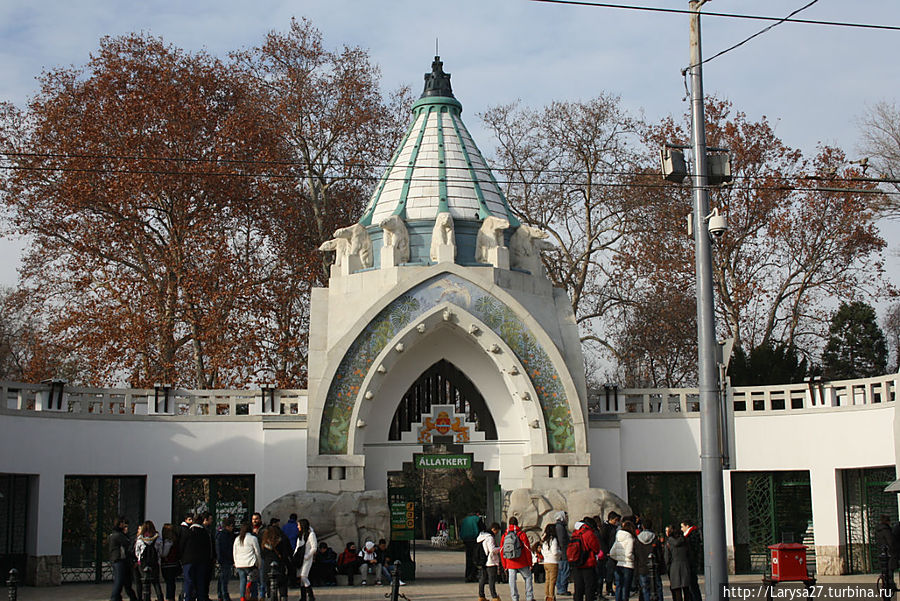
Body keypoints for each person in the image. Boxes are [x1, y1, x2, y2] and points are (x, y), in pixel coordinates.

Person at [180, 513, 213, 601]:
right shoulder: (205, 533)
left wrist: (181, 558)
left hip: (188, 561)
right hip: (202, 562)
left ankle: (188, 598)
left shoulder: (188, 532)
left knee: (189, 582)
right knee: (200, 583)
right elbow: (208, 548)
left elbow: (181, 546)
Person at [500, 516, 534, 601]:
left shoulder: (505, 535)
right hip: (522, 561)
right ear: (517, 523)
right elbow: (527, 549)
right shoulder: (521, 534)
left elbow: (501, 550)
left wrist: (504, 565)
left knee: (512, 581)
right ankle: (529, 597)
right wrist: (530, 562)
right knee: (528, 577)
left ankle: (514, 598)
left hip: (510, 562)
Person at [571, 518, 602, 601]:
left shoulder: (575, 533)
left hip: (576, 563)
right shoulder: (588, 533)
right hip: (588, 563)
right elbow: (596, 548)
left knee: (578, 588)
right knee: (589, 587)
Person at [109, 516, 139, 601]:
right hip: (119, 560)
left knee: (126, 582)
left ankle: (130, 598)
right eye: (122, 523)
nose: (124, 525)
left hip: (123, 560)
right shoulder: (117, 535)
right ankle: (114, 598)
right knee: (119, 581)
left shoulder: (117, 535)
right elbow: (127, 543)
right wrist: (126, 534)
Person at [634, 518, 664, 601]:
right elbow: (659, 555)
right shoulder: (655, 539)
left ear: (642, 526)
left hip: (642, 567)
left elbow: (636, 555)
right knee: (658, 588)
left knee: (645, 589)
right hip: (654, 567)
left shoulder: (637, 540)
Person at [135, 520, 165, 601]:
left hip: (143, 564)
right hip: (154, 563)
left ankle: (146, 598)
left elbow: (137, 552)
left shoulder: (140, 539)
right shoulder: (158, 538)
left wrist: (139, 560)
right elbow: (161, 551)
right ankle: (160, 598)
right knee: (156, 583)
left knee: (145, 583)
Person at [233, 523, 261, 601]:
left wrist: (235, 562)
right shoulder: (253, 538)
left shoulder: (237, 539)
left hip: (240, 564)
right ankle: (254, 596)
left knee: (242, 581)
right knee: (254, 580)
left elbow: (234, 552)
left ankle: (242, 597)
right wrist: (259, 563)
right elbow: (257, 552)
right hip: (250, 563)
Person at [261, 525, 289, 601]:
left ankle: (270, 596)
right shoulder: (282, 540)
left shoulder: (264, 542)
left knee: (269, 583)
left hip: (268, 565)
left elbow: (262, 555)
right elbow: (286, 553)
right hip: (279, 564)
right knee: (282, 584)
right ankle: (283, 597)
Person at [611, 520, 636, 601]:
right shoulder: (630, 539)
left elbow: (612, 553)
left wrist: (618, 558)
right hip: (628, 565)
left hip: (619, 565)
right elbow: (629, 554)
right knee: (626, 587)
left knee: (618, 586)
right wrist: (633, 559)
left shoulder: (618, 538)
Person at [477, 521, 501, 601]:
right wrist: (501, 548)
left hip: (483, 561)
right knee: (491, 579)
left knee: (483, 579)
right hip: (490, 561)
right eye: (496, 531)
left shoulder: (482, 536)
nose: (497, 533)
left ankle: (481, 596)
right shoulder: (490, 538)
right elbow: (492, 550)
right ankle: (494, 596)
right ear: (493, 529)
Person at [665, 526, 691, 601]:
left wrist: (667, 568)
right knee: (686, 590)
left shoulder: (669, 542)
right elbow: (689, 554)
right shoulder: (685, 540)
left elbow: (667, 558)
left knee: (676, 591)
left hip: (674, 567)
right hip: (685, 565)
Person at [295, 518, 318, 600]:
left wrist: (307, 556)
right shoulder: (300, 535)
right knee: (300, 578)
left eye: (298, 525)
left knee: (304, 576)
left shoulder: (311, 534)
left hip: (307, 558)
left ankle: (311, 595)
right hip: (300, 558)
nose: (297, 527)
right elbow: (298, 547)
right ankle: (303, 596)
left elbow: (314, 547)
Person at [600, 512, 620, 598]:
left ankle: (613, 586)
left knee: (613, 571)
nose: (616, 522)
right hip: (608, 553)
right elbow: (603, 541)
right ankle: (609, 588)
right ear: (611, 519)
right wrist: (606, 551)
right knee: (609, 571)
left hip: (613, 551)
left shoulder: (613, 527)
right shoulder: (605, 528)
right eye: (615, 520)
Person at [680, 520, 702, 601]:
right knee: (692, 585)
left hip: (691, 564)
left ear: (687, 526)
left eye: (682, 527)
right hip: (692, 563)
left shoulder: (690, 536)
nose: (681, 529)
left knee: (692, 585)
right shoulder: (693, 534)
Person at [216, 516, 236, 601]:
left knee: (222, 579)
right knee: (224, 579)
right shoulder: (225, 535)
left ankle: (221, 594)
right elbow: (223, 549)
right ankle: (224, 595)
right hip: (225, 559)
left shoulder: (222, 535)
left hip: (225, 559)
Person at [160, 524, 181, 601]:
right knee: (171, 582)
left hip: (167, 563)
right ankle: (171, 596)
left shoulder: (167, 542)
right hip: (174, 563)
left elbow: (164, 553)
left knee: (169, 582)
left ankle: (170, 597)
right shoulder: (175, 541)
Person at [541, 523, 561, 601]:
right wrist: (560, 552)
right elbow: (555, 552)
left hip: (546, 562)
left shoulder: (545, 540)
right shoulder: (553, 540)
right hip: (553, 562)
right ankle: (551, 596)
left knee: (547, 580)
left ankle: (547, 595)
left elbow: (542, 551)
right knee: (552, 581)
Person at [462, 511, 482, 582]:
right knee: (475, 558)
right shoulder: (477, 519)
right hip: (474, 540)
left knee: (468, 558)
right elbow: (482, 528)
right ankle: (473, 575)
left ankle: (467, 575)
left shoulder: (465, 520)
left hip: (466, 540)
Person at [553, 511, 570, 598]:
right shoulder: (560, 527)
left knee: (561, 571)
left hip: (562, 552)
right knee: (564, 571)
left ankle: (561, 588)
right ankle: (562, 589)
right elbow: (562, 540)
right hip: (563, 553)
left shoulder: (560, 526)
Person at [282, 514, 300, 586]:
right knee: (294, 566)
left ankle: (288, 580)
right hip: (294, 547)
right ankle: (293, 581)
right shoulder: (297, 527)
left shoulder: (284, 527)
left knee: (287, 565)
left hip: (286, 548)